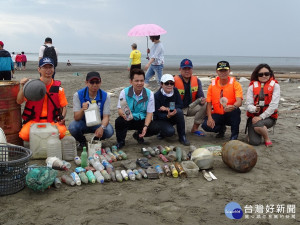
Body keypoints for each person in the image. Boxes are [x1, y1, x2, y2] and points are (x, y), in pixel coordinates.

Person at [17, 57, 68, 142]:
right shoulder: (32, 86)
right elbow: (19, 101)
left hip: (52, 121)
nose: (48, 70)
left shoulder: (58, 88)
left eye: (50, 67)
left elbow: (64, 107)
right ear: (39, 69)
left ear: (53, 69)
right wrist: (22, 87)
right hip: (34, 121)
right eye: (45, 67)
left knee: (63, 133)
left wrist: (62, 117)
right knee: (24, 135)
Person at [115, 68, 160, 149]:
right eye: (136, 81)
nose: (139, 83)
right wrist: (122, 114)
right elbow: (119, 109)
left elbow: (150, 113)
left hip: (141, 119)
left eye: (142, 81)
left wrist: (145, 126)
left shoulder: (149, 94)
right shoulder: (124, 92)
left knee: (155, 127)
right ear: (131, 81)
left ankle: (138, 135)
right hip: (129, 118)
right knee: (119, 121)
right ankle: (121, 141)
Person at [68, 72, 114, 147]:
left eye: (97, 82)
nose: (95, 85)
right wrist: (82, 109)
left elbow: (106, 117)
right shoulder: (78, 95)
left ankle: (95, 139)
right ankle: (82, 141)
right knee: (72, 127)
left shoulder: (105, 96)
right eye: (92, 82)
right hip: (83, 122)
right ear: (86, 83)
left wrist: (102, 128)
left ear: (100, 82)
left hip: (98, 123)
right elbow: (76, 117)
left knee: (109, 131)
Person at [201, 61, 243, 140]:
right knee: (205, 125)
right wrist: (209, 117)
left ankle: (234, 136)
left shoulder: (235, 84)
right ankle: (221, 129)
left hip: (230, 113)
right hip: (217, 114)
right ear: (217, 71)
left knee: (236, 111)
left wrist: (233, 106)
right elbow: (209, 104)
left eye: (225, 70)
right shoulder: (212, 86)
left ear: (229, 71)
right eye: (221, 71)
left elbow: (239, 101)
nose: (223, 73)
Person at [246, 64, 280, 147]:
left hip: (269, 117)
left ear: (270, 74)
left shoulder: (275, 86)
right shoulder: (252, 87)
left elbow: (274, 105)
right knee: (254, 142)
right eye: (261, 74)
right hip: (254, 117)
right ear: (257, 75)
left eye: (266, 74)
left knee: (258, 124)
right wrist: (255, 109)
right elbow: (248, 105)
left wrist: (261, 117)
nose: (264, 76)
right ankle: (256, 132)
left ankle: (266, 138)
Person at [154, 74, 190, 146]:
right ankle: (162, 132)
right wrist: (167, 115)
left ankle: (182, 136)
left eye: (171, 83)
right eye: (167, 83)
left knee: (179, 112)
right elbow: (157, 115)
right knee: (170, 132)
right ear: (161, 84)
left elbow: (180, 105)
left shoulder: (175, 91)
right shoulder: (157, 96)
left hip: (172, 115)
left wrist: (168, 108)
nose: (169, 85)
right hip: (161, 119)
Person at [174, 59, 207, 136]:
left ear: (192, 69)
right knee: (180, 132)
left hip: (190, 107)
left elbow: (200, 95)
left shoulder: (197, 81)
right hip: (178, 110)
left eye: (189, 69)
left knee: (206, 104)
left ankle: (194, 129)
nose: (187, 71)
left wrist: (202, 100)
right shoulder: (173, 81)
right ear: (180, 69)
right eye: (184, 69)